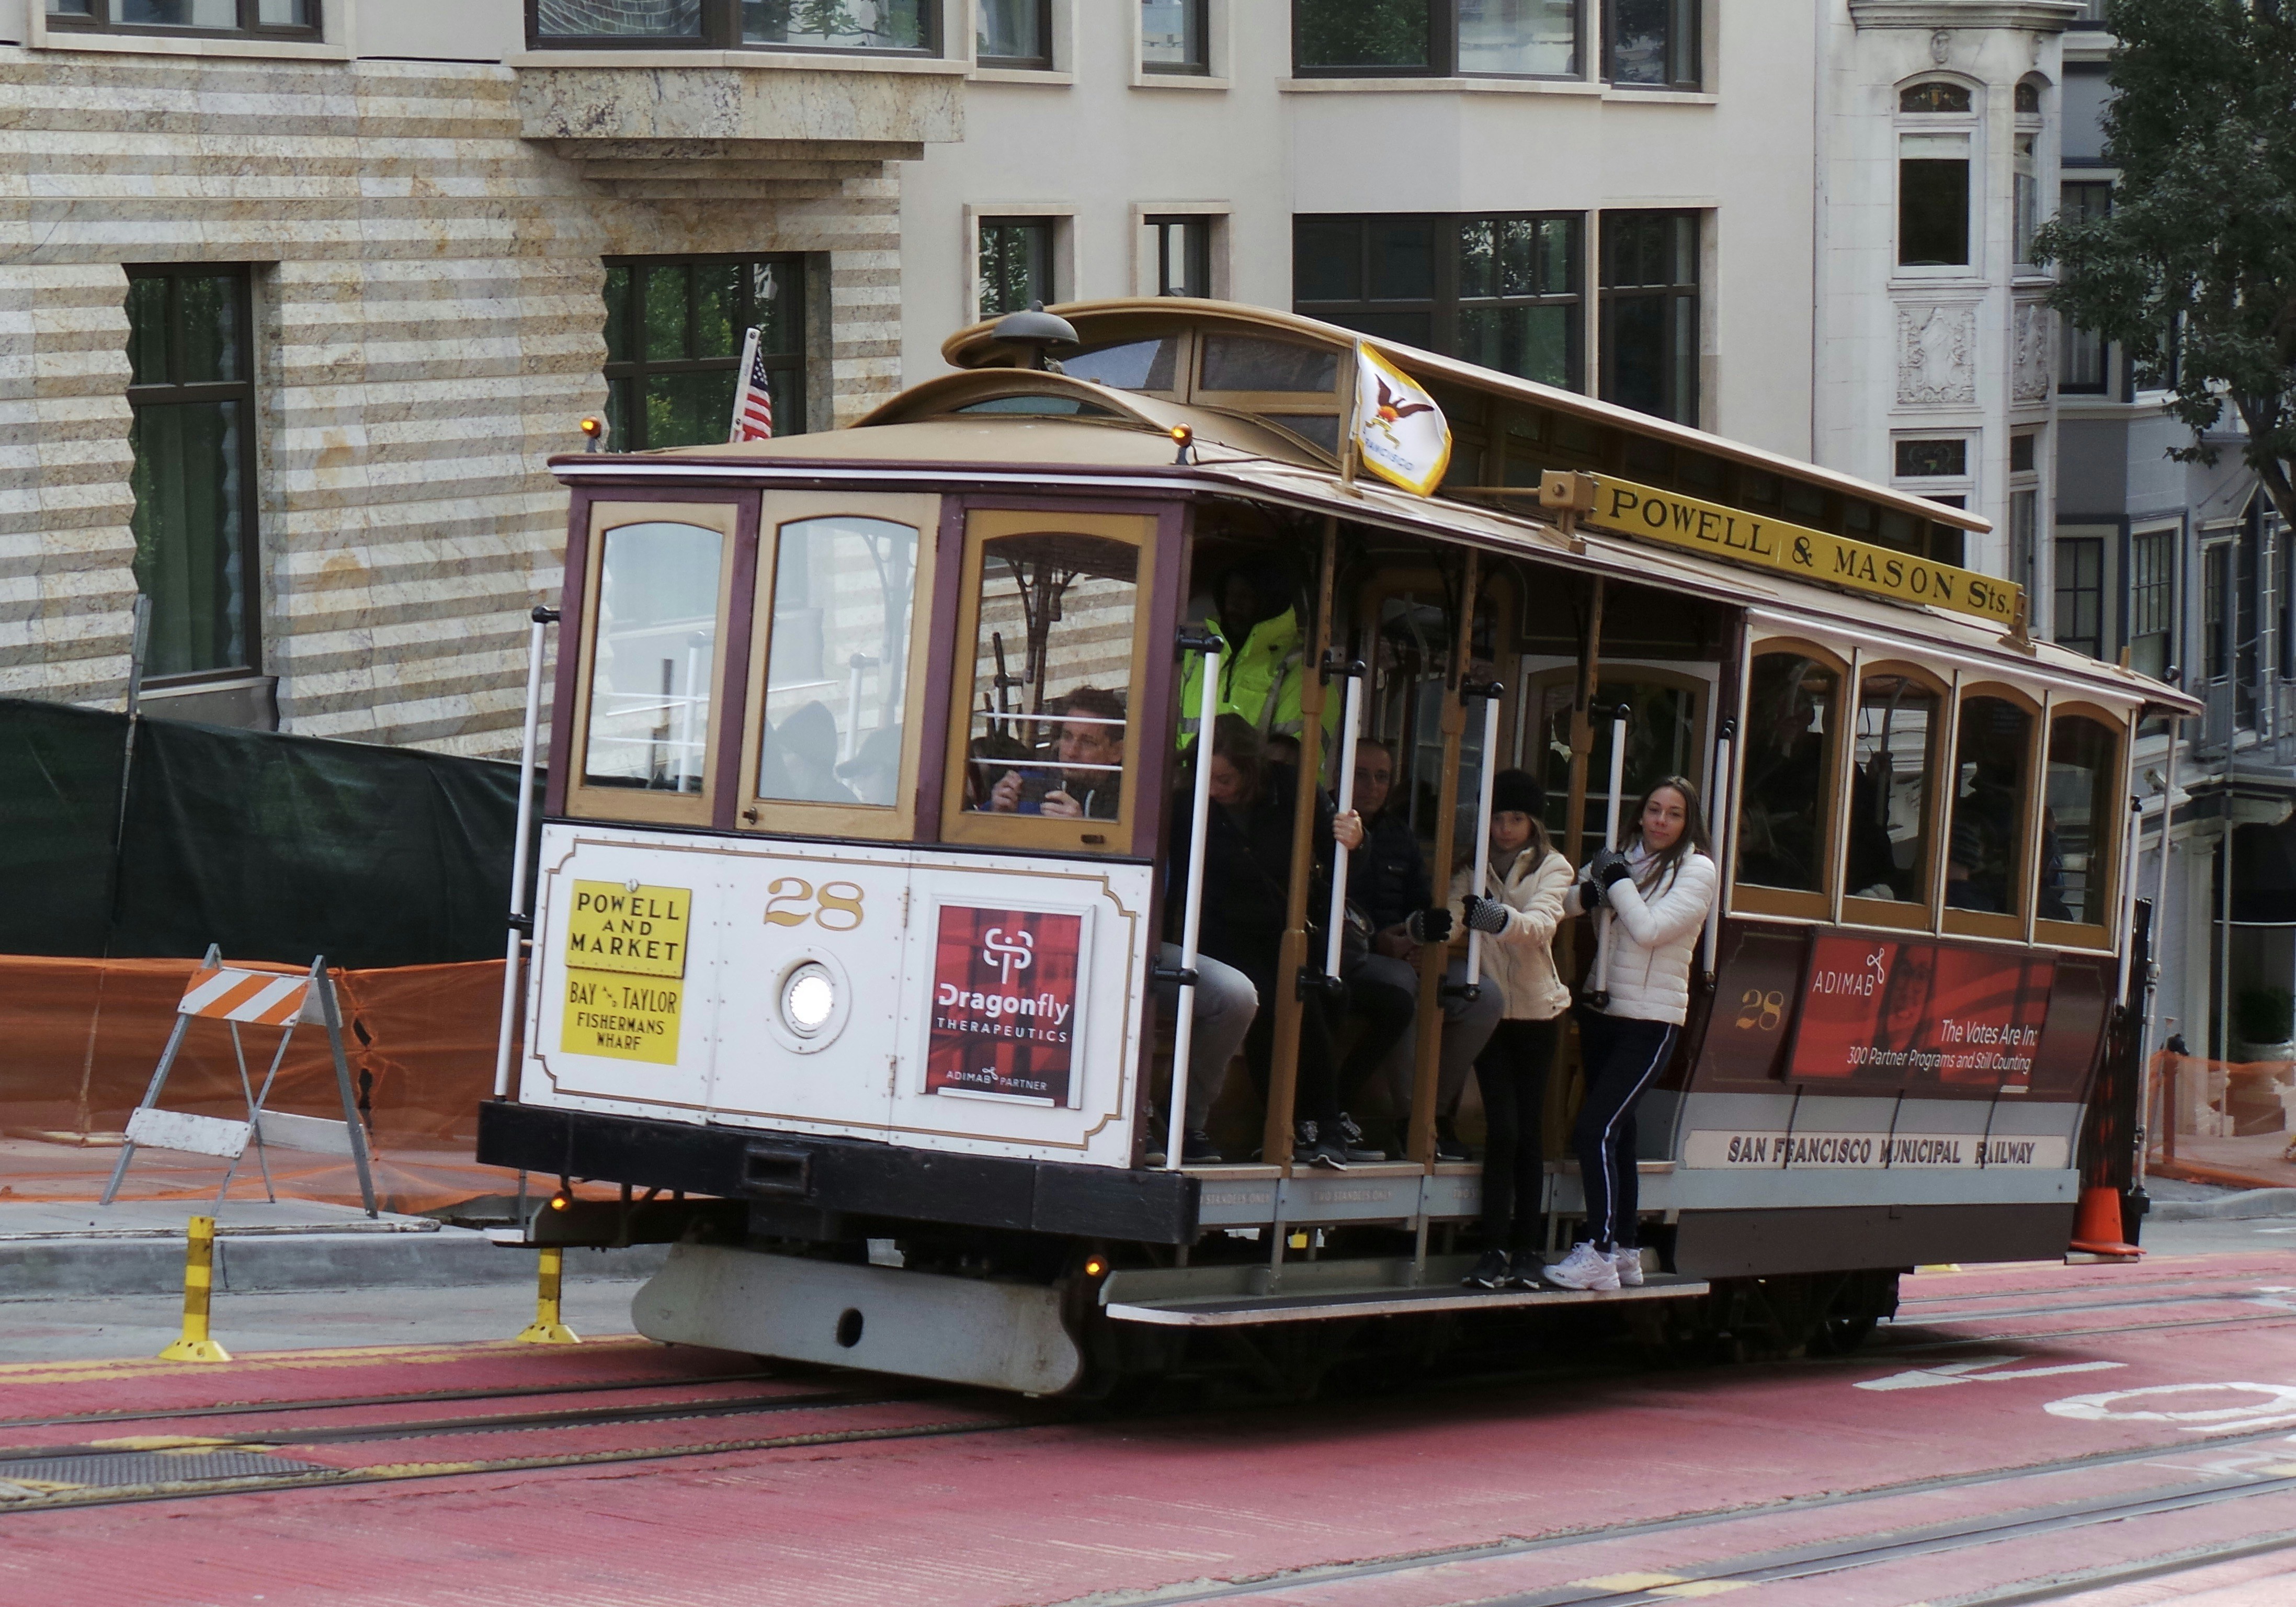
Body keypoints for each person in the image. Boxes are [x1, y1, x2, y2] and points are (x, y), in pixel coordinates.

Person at [1544, 775, 1718, 1293]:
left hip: (1652, 1019)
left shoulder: (1697, 869)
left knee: (1592, 1129)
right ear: (1640, 814)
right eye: (1654, 810)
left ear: (1689, 824)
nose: (1660, 822)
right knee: (1617, 1135)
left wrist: (1613, 882)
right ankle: (1623, 1251)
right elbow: (1566, 905)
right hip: (1604, 1010)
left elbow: (1648, 931)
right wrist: (1598, 885)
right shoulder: (1625, 856)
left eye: (1673, 814)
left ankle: (1596, 1250)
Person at [1169, 714, 1351, 1168]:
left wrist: (1355, 842)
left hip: (1281, 925)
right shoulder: (1186, 803)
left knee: (1307, 994)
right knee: (1270, 1000)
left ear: (1252, 770)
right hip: (1217, 930)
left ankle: (1325, 1124)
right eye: (1205, 777)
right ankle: (1283, 1125)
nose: (1214, 789)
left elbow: (1340, 862)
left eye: (1225, 778)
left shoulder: (1293, 788)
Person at [1333, 737, 1493, 1161]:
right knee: (1404, 985)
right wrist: (1376, 943)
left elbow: (1421, 902)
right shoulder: (1320, 825)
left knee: (1486, 997)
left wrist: (1421, 940)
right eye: (1362, 775)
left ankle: (1435, 1113)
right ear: (1339, 776)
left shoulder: (1399, 835)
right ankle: (1409, 1122)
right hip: (1348, 958)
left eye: (1382, 777)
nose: (1372, 786)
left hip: (1402, 952)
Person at [1447, 769, 1573, 1291]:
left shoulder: (1553, 866)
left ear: (1532, 822)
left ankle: (1526, 1251)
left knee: (1526, 1136)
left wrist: (1493, 917)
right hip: (1491, 1016)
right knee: (1501, 1132)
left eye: (1515, 818)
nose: (1504, 829)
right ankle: (1492, 1249)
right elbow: (1456, 916)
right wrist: (1438, 923)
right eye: (1497, 818)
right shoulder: (1470, 868)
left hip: (1538, 1016)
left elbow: (1543, 923)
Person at [1175, 560, 1337, 748]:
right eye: (1229, 594)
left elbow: (1290, 765)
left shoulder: (1303, 668)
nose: (1233, 605)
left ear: (1270, 602)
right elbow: (1168, 736)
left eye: (1245, 596)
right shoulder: (1197, 655)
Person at [984, 687, 1126, 819]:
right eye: (1067, 737)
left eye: (1088, 742)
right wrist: (997, 815)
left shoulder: (1131, 808)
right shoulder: (1026, 788)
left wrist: (1083, 831)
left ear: (1117, 752)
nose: (1071, 752)